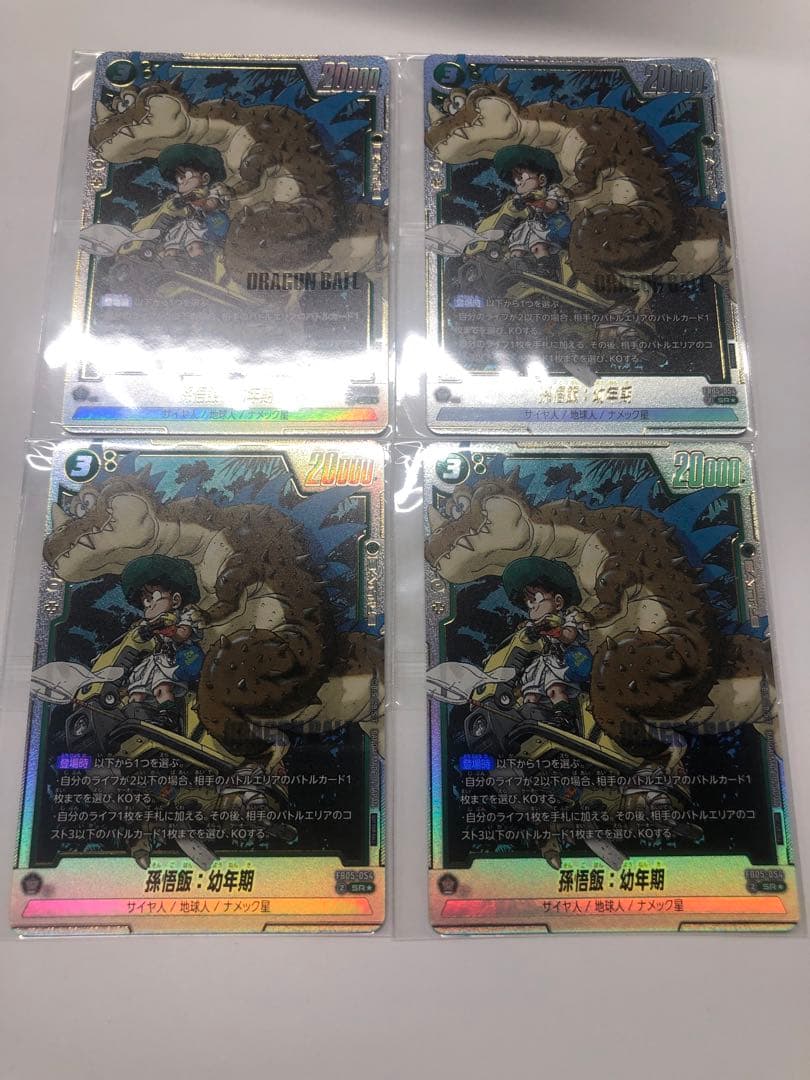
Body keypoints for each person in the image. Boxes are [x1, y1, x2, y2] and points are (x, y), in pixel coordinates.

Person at [484, 555, 591, 732]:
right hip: (542, 666)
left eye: (537, 599)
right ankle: (530, 718)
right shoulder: (531, 626)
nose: (532, 606)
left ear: (558, 602)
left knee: (554, 689)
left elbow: (569, 635)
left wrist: (554, 630)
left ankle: (565, 718)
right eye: (529, 603)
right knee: (530, 694)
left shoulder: (569, 617)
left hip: (565, 663)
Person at [119, 553, 205, 730]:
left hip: (179, 660)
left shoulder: (185, 614)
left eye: (155, 597)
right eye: (146, 600)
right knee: (137, 691)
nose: (150, 605)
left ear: (176, 600)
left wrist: (168, 629)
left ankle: (169, 718)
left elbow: (183, 634)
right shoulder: (146, 624)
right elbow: (137, 639)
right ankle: (134, 716)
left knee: (161, 688)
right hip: (155, 662)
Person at [470, 145, 571, 280]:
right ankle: (518, 265)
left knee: (537, 244)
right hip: (532, 226)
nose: (519, 184)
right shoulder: (519, 197)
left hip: (554, 224)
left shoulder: (552, 190)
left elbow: (551, 206)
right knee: (517, 245)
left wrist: (536, 202)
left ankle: (547, 270)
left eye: (522, 177)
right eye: (517, 181)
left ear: (542, 179)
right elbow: (509, 209)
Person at [150, 143, 230, 258]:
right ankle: (171, 250)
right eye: (179, 179)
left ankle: (200, 253)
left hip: (212, 224)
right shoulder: (180, 197)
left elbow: (212, 203)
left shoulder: (211, 190)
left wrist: (200, 202)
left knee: (203, 233)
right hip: (190, 224)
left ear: (205, 178)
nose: (182, 182)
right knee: (179, 230)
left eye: (186, 176)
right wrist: (181, 202)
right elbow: (173, 207)